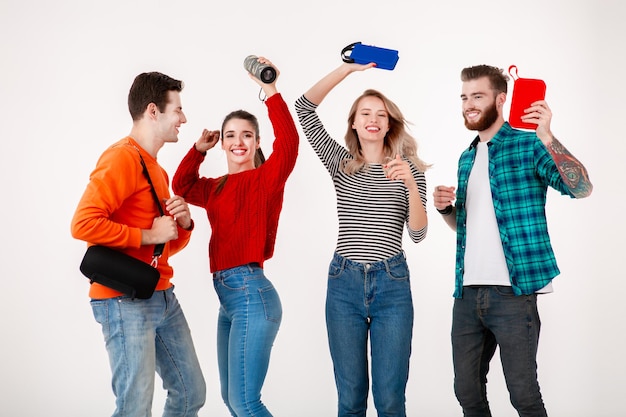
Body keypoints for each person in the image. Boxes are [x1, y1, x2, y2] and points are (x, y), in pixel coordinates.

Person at [433, 65, 593, 417]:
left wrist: (548, 136)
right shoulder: (467, 156)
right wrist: (446, 210)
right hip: (467, 293)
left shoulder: (529, 144)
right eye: (464, 97)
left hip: (513, 294)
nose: (469, 104)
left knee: (524, 396)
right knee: (467, 394)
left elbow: (581, 188)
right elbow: (466, 228)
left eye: (477, 96)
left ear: (501, 99)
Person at [294, 62, 429, 417]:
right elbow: (303, 109)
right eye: (364, 113)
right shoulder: (341, 162)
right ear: (353, 122)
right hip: (344, 285)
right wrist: (347, 71)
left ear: (389, 124)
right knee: (351, 399)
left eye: (380, 114)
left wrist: (412, 186)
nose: (373, 119)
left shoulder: (408, 169)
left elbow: (418, 234)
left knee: (389, 400)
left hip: (392, 285)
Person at [71, 72, 206, 416]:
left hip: (160, 294)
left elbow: (161, 249)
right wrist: (150, 234)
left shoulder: (157, 171)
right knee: (134, 408)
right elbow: (83, 223)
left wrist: (185, 225)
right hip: (123, 300)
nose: (184, 119)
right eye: (177, 110)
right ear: (153, 111)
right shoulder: (121, 158)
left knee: (191, 394)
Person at [172, 57, 298, 417]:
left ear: (257, 141)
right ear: (223, 144)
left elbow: (288, 146)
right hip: (229, 302)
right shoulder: (215, 188)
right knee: (232, 401)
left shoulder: (265, 180)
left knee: (246, 402)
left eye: (246, 135)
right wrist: (198, 150)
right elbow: (180, 186)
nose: (238, 141)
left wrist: (271, 91)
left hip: (251, 295)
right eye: (230, 135)